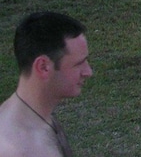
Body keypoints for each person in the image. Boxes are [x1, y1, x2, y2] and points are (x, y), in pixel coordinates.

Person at [0, 12, 92, 157]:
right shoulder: (18, 149)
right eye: (79, 63)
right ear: (43, 67)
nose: (88, 72)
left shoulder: (38, 115)